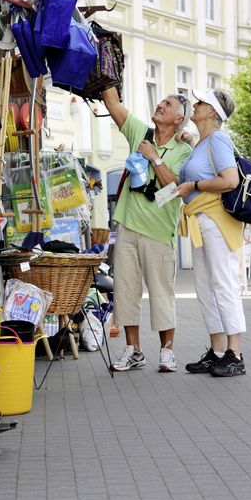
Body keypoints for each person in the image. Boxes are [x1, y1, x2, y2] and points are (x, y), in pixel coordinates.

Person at [101, 86, 192, 372]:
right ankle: (133, 350)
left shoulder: (183, 149)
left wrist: (153, 157)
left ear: (179, 119)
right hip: (127, 227)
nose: (160, 105)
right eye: (161, 101)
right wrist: (106, 62)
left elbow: (175, 186)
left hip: (158, 233)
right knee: (125, 290)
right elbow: (113, 104)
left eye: (168, 104)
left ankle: (167, 351)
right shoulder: (140, 131)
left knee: (161, 292)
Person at [174, 89, 246, 377]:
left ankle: (235, 354)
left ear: (213, 113)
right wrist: (191, 140)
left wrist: (194, 187)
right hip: (200, 221)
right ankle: (217, 351)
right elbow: (205, 166)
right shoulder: (204, 142)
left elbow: (230, 180)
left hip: (215, 219)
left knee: (223, 283)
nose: (195, 104)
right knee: (204, 285)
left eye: (201, 102)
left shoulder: (218, 138)